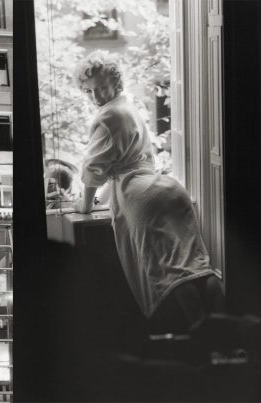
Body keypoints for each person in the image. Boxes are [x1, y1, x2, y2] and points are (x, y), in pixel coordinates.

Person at [71, 51, 223, 334]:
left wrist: (85, 205)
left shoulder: (107, 116)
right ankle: (226, 333)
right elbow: (122, 164)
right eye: (89, 90)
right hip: (168, 189)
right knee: (198, 266)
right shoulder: (128, 107)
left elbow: (95, 169)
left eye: (101, 87)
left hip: (142, 198)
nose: (95, 96)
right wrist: (99, 198)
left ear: (115, 83)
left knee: (175, 276)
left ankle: (204, 338)